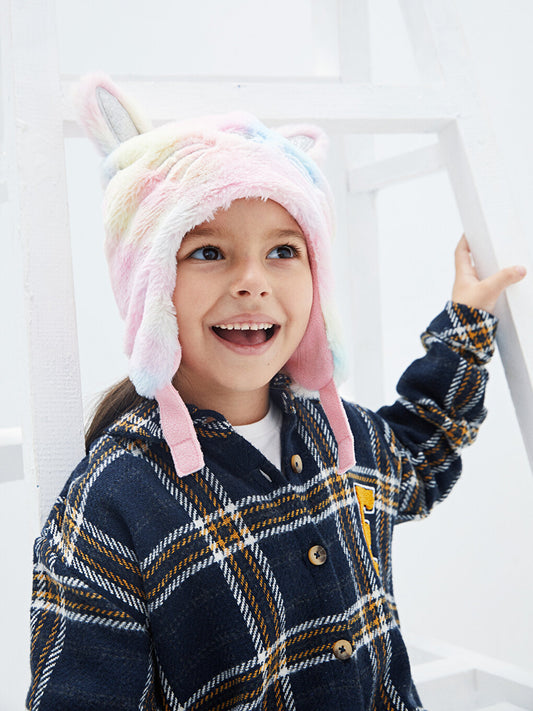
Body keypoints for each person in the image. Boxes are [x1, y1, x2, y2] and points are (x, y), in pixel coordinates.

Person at [26, 74, 526, 711]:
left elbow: (421, 449)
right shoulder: (113, 506)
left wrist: (466, 323)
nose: (252, 282)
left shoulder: (343, 439)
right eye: (208, 252)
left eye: (284, 250)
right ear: (149, 289)